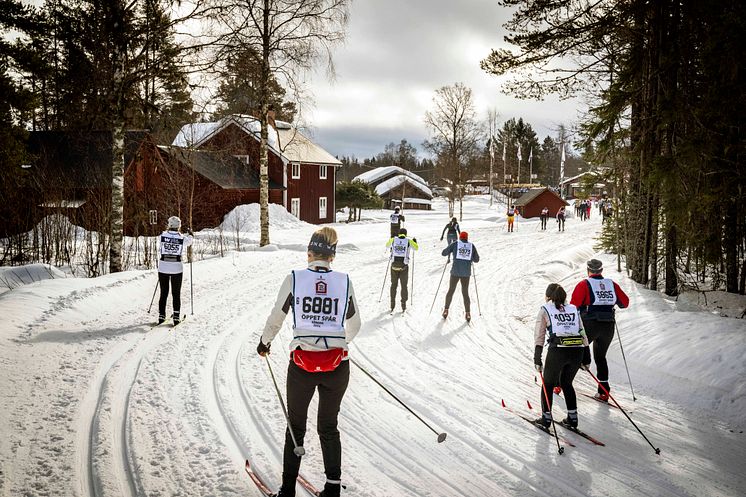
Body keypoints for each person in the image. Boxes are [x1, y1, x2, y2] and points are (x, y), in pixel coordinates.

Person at [256, 227, 361, 497]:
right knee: (328, 426)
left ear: (310, 253)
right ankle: (333, 489)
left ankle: (288, 490)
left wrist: (265, 342)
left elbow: (276, 317)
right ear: (332, 257)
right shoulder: (344, 281)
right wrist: (340, 342)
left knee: (296, 426)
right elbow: (355, 324)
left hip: (302, 366)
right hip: (337, 367)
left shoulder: (295, 278)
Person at [570, 259, 630, 401]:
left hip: (590, 324)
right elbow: (625, 303)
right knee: (600, 357)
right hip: (608, 326)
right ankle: (604, 391)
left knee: (574, 352)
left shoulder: (584, 284)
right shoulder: (611, 284)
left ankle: (559, 384)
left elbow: (574, 306)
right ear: (601, 271)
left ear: (588, 271)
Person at [533, 283, 591, 429]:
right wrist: (587, 356)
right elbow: (582, 332)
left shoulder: (545, 309)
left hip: (558, 350)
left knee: (548, 384)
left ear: (548, 296)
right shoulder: (573, 308)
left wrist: (537, 358)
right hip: (577, 350)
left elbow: (539, 336)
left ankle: (546, 420)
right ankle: (572, 419)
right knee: (566, 383)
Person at [157, 216, 193, 324]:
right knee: (176, 293)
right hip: (176, 268)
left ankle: (161, 316)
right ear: (179, 226)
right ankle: (176, 317)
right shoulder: (182, 238)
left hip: (163, 267)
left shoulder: (162, 235)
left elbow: (161, 240)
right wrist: (190, 233)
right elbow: (189, 242)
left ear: (169, 225)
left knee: (164, 292)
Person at [441, 231, 480, 322]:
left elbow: (444, 253)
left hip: (455, 272)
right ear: (467, 238)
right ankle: (468, 313)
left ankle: (446, 310)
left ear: (460, 237)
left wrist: (451, 250)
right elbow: (477, 260)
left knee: (451, 290)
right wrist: (470, 257)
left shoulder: (456, 244)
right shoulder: (471, 246)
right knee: (465, 293)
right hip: (466, 274)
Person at [385, 228, 419, 312]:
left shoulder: (393, 239)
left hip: (394, 266)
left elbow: (387, 245)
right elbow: (416, 248)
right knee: (404, 286)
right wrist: (415, 242)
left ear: (399, 233)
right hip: (404, 267)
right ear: (406, 234)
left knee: (393, 285)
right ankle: (403, 304)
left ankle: (392, 304)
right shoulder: (409, 241)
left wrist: (392, 239)